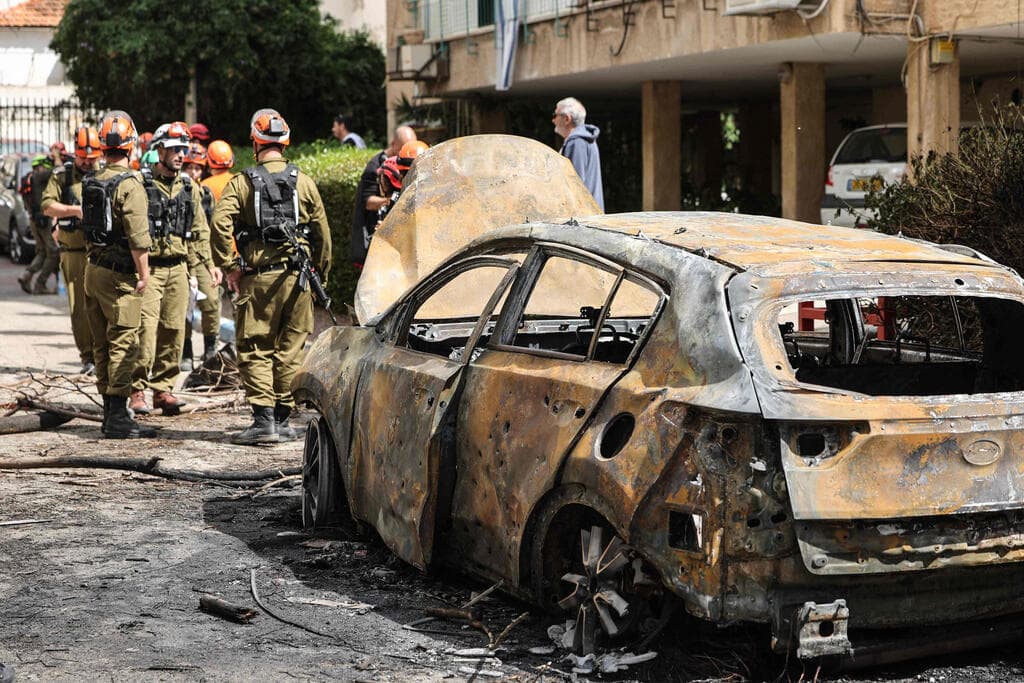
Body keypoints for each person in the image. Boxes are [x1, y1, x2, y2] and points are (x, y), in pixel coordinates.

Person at [210, 108, 330, 445]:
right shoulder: (303, 181)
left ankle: (264, 422)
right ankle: (282, 419)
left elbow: (220, 224)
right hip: (299, 278)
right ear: (286, 142)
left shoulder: (242, 182)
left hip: (258, 279)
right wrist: (320, 271)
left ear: (255, 142)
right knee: (291, 347)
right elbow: (323, 233)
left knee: (256, 345)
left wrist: (230, 264)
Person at [127, 122, 214, 416]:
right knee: (145, 332)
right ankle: (137, 390)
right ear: (160, 149)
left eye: (184, 149)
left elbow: (200, 231)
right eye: (175, 149)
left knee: (174, 331)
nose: (181, 155)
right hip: (150, 268)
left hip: (178, 268)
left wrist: (207, 267)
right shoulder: (140, 183)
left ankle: (163, 390)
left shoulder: (190, 187)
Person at [81, 110, 155, 439]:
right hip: (119, 276)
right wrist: (144, 274)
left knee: (100, 344)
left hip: (92, 271)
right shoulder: (130, 185)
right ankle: (117, 417)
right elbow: (139, 238)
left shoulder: (92, 180)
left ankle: (109, 412)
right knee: (124, 343)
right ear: (130, 146)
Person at [41, 126, 102, 375]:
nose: (88, 162)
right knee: (80, 308)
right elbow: (47, 206)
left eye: (92, 158)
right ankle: (87, 357)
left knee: (102, 306)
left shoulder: (107, 173)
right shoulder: (62, 176)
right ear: (75, 154)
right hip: (74, 252)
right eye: (83, 157)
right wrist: (74, 211)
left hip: (101, 252)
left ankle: (103, 356)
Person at [350, 125, 416, 267]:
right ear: (393, 145)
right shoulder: (375, 166)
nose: (406, 156)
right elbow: (368, 202)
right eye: (402, 150)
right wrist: (396, 202)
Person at [182, 142, 221, 365]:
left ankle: (210, 349)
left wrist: (215, 262)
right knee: (184, 305)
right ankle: (185, 350)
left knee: (211, 301)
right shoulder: (177, 190)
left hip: (202, 255)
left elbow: (212, 228)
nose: (194, 173)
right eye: (190, 167)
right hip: (181, 254)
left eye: (198, 168)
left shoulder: (206, 194)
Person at [17, 155, 60, 294]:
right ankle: (40, 284)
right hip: (43, 220)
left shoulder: (27, 178)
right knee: (53, 252)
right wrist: (57, 156)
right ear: (40, 166)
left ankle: (26, 276)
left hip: (33, 219)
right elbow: (58, 170)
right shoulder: (39, 176)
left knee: (42, 252)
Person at [553, 97, 604, 210]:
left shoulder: (576, 142)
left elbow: (575, 184)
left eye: (555, 115)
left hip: (582, 217)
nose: (553, 120)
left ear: (567, 119)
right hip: (590, 214)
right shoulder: (584, 139)